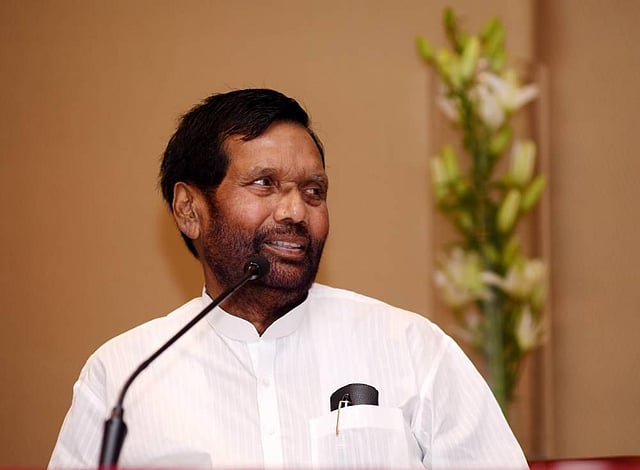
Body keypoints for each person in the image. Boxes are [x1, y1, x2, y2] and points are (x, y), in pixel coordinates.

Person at [49, 88, 528, 469]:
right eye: (265, 184)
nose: (296, 211)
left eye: (314, 191)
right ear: (189, 210)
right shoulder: (122, 377)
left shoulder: (412, 349)